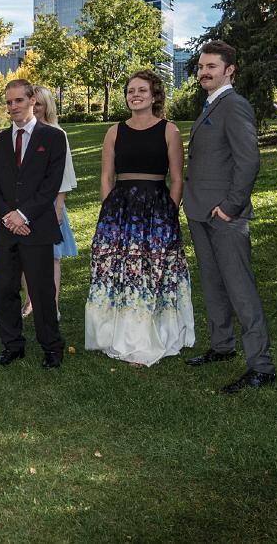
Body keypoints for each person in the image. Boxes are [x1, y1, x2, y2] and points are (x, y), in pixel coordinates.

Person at [84, 70, 195, 367]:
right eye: (131, 91)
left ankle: (150, 335)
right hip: (119, 210)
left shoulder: (169, 130)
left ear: (154, 95)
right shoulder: (114, 131)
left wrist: (169, 212)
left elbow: (177, 178)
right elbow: (106, 176)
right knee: (118, 269)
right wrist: (109, 208)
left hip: (156, 209)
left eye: (142, 90)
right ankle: (117, 333)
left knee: (152, 270)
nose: (135, 95)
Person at [184, 40, 276, 393]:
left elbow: (248, 160)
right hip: (200, 211)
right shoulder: (211, 104)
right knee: (213, 284)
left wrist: (231, 207)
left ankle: (262, 367)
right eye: (201, 67)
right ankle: (222, 346)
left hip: (224, 215)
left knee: (240, 289)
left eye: (211, 67)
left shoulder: (235, 105)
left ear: (229, 70)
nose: (204, 72)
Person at [0, 79, 67, 369]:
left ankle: (51, 347)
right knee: (5, 290)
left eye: (18, 100)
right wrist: (8, 215)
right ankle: (12, 345)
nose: (13, 106)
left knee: (41, 291)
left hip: (37, 227)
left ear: (32, 100)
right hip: (6, 229)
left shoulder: (53, 137)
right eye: (9, 102)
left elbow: (51, 183)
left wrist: (24, 215)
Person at [19, 86, 78, 320]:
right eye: (33, 103)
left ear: (47, 107)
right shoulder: (20, 132)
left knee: (52, 256)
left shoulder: (57, 133)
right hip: (23, 203)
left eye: (40, 104)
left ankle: (52, 304)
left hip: (50, 202)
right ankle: (30, 300)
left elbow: (64, 172)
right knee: (24, 254)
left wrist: (59, 205)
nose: (35, 108)